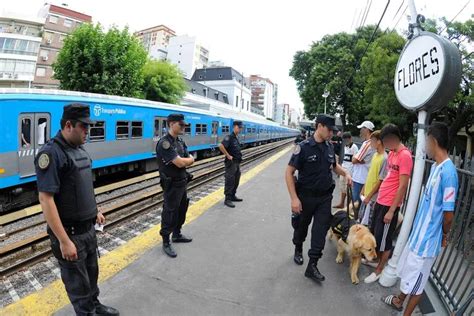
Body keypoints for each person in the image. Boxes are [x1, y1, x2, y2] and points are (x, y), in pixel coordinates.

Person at [35, 104, 119, 316]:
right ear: (69, 125)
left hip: (88, 229)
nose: (87, 131)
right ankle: (87, 312)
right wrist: (64, 241)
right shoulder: (51, 154)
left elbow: (83, 186)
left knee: (91, 276)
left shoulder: (79, 148)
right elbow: (46, 199)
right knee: (78, 287)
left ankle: (95, 305)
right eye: (84, 127)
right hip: (70, 234)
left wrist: (95, 210)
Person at [382, 122, 458, 315]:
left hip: (426, 244)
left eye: (426, 141)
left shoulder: (449, 173)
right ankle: (399, 301)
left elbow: (448, 216)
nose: (424, 145)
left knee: (417, 283)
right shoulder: (436, 167)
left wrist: (443, 235)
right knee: (409, 275)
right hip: (417, 238)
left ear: (433, 141)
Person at [285, 114, 352, 282]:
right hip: (305, 198)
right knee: (301, 228)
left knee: (320, 232)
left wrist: (346, 173)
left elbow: (334, 166)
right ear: (319, 126)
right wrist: (294, 198)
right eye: (329, 130)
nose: (331, 133)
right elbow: (289, 172)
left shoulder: (329, 147)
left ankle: (312, 265)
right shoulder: (304, 147)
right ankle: (298, 248)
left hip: (324, 198)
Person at [364, 124, 413, 284]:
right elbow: (387, 177)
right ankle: (375, 261)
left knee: (385, 240)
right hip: (380, 200)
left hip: (389, 205)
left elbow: (403, 186)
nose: (385, 144)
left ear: (394, 138)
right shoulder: (392, 153)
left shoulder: (404, 155)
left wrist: (392, 211)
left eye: (386, 141)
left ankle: (379, 270)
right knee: (376, 234)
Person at [156, 113, 195, 258]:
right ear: (171, 124)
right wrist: (190, 160)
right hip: (171, 185)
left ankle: (177, 234)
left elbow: (185, 158)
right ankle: (166, 241)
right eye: (181, 124)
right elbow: (180, 162)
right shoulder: (164, 143)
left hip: (182, 182)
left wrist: (187, 160)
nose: (184, 127)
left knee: (182, 209)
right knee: (169, 212)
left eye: (184, 124)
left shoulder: (179, 141)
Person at [359, 130, 387, 230]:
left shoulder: (384, 158)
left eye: (372, 141)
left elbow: (380, 180)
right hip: (366, 194)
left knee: (368, 225)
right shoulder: (375, 155)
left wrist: (370, 196)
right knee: (361, 219)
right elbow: (370, 173)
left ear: (379, 141)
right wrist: (364, 187)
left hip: (373, 197)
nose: (370, 143)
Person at [219, 120, 243, 208]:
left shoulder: (236, 138)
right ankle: (227, 199)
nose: (240, 129)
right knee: (230, 181)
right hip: (231, 164)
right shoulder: (229, 137)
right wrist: (228, 155)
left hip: (237, 163)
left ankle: (233, 196)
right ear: (234, 127)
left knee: (236, 180)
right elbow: (220, 146)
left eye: (241, 128)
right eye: (239, 127)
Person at [352, 121, 375, 204]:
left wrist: (355, 157)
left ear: (366, 129)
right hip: (365, 177)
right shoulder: (372, 144)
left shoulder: (367, 144)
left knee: (356, 203)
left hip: (360, 178)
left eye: (362, 128)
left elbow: (354, 160)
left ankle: (355, 217)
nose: (360, 131)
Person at [334, 132, 358, 208]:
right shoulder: (344, 146)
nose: (346, 141)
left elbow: (355, 160)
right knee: (342, 188)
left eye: (347, 140)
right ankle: (341, 203)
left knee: (349, 190)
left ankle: (348, 207)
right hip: (343, 170)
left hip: (350, 172)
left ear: (350, 139)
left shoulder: (354, 147)